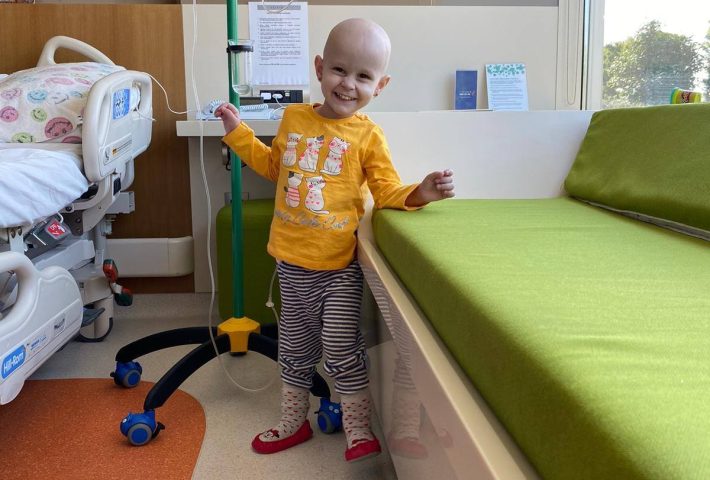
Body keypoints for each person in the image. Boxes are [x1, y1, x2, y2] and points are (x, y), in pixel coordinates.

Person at [215, 17, 455, 463]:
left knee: (342, 349)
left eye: (363, 76)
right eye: (339, 70)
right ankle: (294, 421)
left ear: (380, 86)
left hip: (338, 271)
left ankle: (358, 429)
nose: (348, 84)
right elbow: (274, 168)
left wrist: (421, 192)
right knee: (293, 351)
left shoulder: (368, 135)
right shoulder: (294, 117)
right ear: (319, 68)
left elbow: (386, 191)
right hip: (290, 266)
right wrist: (237, 132)